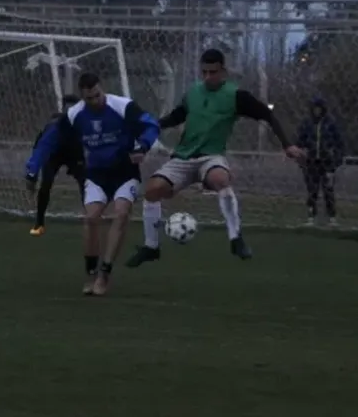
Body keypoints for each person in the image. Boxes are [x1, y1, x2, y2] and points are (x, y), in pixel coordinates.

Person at [126, 48, 306, 267]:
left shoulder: (236, 96)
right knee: (152, 190)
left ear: (224, 71)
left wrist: (287, 144)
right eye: (204, 72)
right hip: (183, 158)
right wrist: (153, 125)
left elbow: (267, 115)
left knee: (221, 179)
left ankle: (235, 238)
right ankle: (151, 247)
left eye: (213, 72)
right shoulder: (193, 93)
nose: (208, 77)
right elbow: (177, 116)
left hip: (211, 157)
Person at [26, 72, 160, 297]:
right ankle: (90, 272)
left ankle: (104, 274)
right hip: (96, 174)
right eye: (89, 98)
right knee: (91, 218)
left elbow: (151, 125)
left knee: (121, 213)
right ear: (82, 96)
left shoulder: (122, 106)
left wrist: (143, 146)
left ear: (102, 88)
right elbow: (48, 141)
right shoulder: (74, 115)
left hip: (124, 172)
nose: (95, 101)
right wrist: (32, 170)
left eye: (98, 95)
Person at [29, 94, 86, 237]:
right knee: (46, 184)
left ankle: (91, 220)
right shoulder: (55, 126)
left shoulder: (85, 123)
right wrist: (32, 173)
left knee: (86, 185)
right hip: (54, 155)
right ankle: (39, 222)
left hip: (74, 155)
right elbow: (40, 149)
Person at [295, 96, 344, 226]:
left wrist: (335, 162)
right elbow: (299, 141)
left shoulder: (330, 123)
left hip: (327, 162)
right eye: (314, 108)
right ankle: (311, 215)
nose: (317, 111)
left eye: (319, 108)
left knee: (328, 189)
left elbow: (339, 144)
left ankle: (332, 216)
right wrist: (301, 156)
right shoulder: (307, 123)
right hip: (311, 162)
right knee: (312, 190)